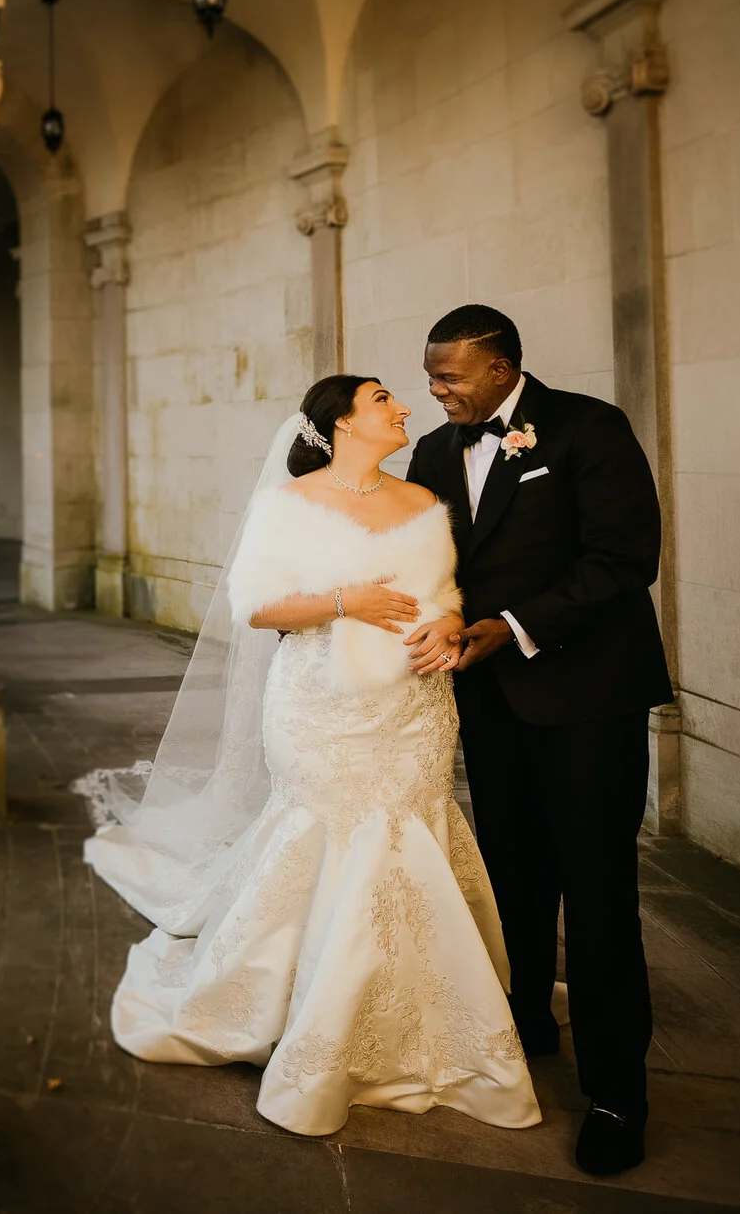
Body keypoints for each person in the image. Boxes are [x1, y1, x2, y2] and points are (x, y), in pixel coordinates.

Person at [80, 374, 540, 1137]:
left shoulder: (422, 501)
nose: (403, 407)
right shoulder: (289, 504)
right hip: (320, 707)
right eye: (382, 398)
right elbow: (256, 606)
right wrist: (345, 600)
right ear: (343, 421)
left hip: (415, 706)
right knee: (335, 831)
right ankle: (307, 1013)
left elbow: (448, 594)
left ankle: (422, 1011)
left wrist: (450, 625)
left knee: (412, 831)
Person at [408, 305, 673, 1176]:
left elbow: (624, 557)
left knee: (597, 895)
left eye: (449, 375)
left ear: (501, 367)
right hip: (491, 706)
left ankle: (616, 1095)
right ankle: (525, 1024)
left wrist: (514, 625)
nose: (436, 390)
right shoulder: (434, 453)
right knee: (512, 881)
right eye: (430, 375)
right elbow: (430, 565)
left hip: (588, 700)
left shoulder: (589, 428)